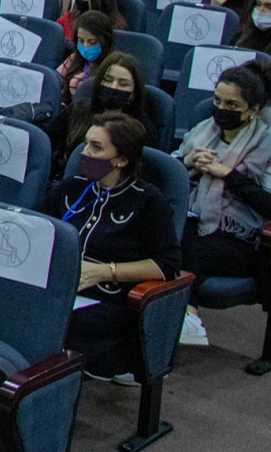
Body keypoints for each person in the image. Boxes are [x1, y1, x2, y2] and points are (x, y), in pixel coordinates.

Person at [43, 113, 181, 381]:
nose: (84, 153)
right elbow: (39, 228)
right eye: (85, 144)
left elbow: (167, 265)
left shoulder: (148, 201)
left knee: (54, 321)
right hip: (62, 285)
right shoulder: (72, 187)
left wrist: (105, 271)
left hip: (109, 297)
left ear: (121, 159)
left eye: (96, 147)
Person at [176, 62, 271, 346]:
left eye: (232, 104)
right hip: (195, 223)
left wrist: (228, 174)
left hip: (241, 241)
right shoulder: (204, 129)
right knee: (166, 235)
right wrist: (186, 163)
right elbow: (171, 177)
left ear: (253, 109)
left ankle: (183, 313)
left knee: (174, 247)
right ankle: (184, 314)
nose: (220, 109)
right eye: (217, 100)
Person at [44, 50, 156, 166]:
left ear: (134, 93)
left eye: (123, 84)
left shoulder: (143, 127)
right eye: (108, 80)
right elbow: (45, 140)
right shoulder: (78, 110)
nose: (113, 87)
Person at [59, 11, 116, 105]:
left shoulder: (113, 66)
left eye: (92, 42)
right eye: (81, 41)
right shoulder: (74, 58)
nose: (85, 46)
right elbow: (55, 80)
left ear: (105, 41)